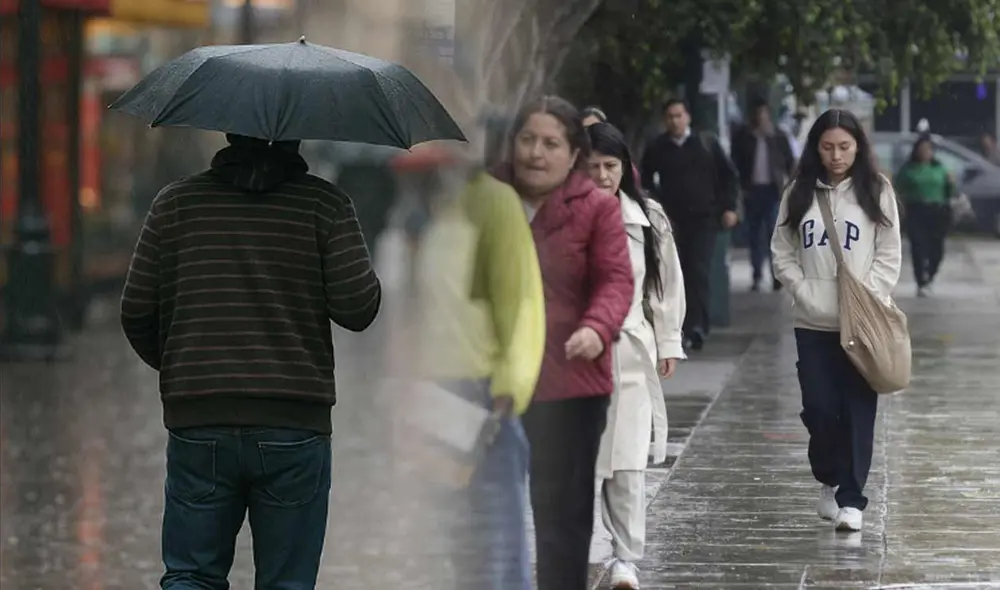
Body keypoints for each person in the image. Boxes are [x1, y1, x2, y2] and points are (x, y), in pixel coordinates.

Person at [120, 134, 382, 589]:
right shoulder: (325, 205)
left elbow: (137, 309)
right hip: (294, 424)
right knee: (287, 582)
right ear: (298, 134)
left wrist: (187, 368)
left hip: (200, 421)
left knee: (191, 576)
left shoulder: (176, 204)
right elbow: (358, 308)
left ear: (228, 130)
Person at [494, 96, 634, 590]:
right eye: (527, 139)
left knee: (561, 517)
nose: (536, 152)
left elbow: (616, 280)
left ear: (573, 153)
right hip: (492, 380)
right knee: (488, 513)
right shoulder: (490, 198)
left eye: (551, 143)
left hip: (571, 384)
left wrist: (596, 328)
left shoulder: (595, 207)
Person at [397, 144, 546, 590]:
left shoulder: (494, 203)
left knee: (494, 530)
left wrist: (509, 385)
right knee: (453, 533)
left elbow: (520, 301)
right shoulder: (425, 214)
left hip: (485, 392)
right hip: (436, 392)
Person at [770, 109, 902, 533]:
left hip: (861, 320)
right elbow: (781, 249)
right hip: (812, 322)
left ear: (858, 147)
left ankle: (852, 498)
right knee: (820, 409)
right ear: (816, 148)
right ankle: (828, 476)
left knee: (859, 408)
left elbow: (888, 251)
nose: (836, 155)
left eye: (844, 146)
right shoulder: (798, 192)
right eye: (828, 147)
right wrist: (802, 289)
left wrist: (871, 295)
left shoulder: (876, 191)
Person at [586, 122, 686, 590]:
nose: (603, 176)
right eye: (594, 167)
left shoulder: (650, 219)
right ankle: (578, 550)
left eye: (611, 166)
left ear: (626, 168)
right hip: (574, 354)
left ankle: (626, 557)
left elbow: (666, 286)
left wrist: (667, 342)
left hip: (629, 349)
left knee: (627, 461)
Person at [640, 99, 739, 351]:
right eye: (670, 116)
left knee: (698, 271)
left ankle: (698, 326)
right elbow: (645, 179)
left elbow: (729, 176)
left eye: (679, 115)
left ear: (688, 117)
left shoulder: (706, 144)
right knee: (675, 272)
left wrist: (728, 207)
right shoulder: (658, 147)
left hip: (704, 219)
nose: (675, 120)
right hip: (671, 220)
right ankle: (676, 326)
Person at [731, 98, 796, 292]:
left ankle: (776, 275)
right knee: (754, 234)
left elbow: (789, 162)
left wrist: (790, 185)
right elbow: (736, 163)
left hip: (773, 191)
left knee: (773, 233)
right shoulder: (744, 137)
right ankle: (757, 274)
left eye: (765, 115)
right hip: (752, 191)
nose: (762, 119)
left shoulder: (778, 137)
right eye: (758, 115)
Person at [894, 135, 954, 297]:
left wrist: (951, 184)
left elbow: (950, 192)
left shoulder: (939, 168)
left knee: (937, 248)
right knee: (918, 246)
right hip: (916, 211)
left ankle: (931, 274)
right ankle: (921, 280)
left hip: (937, 212)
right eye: (922, 149)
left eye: (928, 149)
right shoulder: (908, 169)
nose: (925, 152)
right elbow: (897, 188)